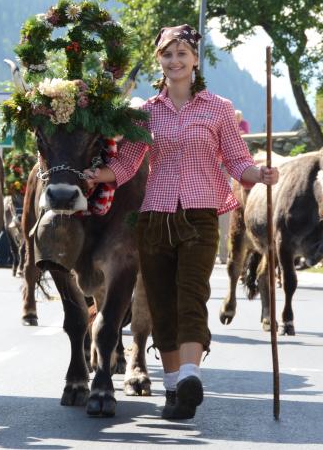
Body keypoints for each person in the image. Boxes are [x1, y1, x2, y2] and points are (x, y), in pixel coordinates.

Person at [83, 24, 279, 420]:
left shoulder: (218, 108)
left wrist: (259, 174)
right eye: (167, 54)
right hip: (154, 217)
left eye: (181, 54)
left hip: (201, 215)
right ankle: (175, 390)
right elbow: (126, 165)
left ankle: (190, 374)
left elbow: (236, 160)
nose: (174, 61)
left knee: (191, 295)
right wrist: (93, 176)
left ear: (194, 60)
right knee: (159, 303)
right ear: (160, 61)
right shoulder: (145, 112)